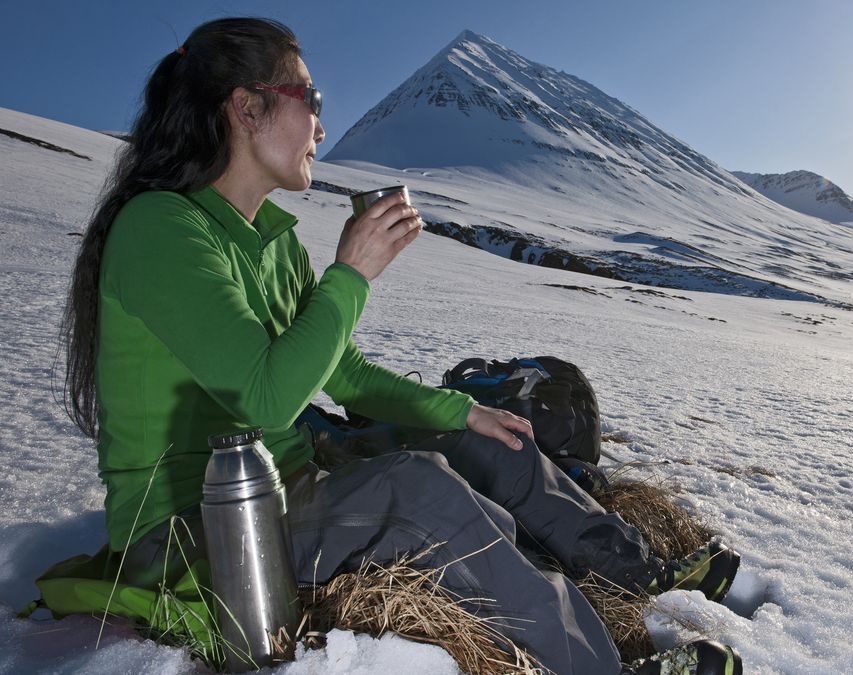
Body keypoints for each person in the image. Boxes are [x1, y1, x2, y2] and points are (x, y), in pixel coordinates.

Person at [60, 17, 740, 675]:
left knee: (485, 443)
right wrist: (351, 274)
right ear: (246, 107)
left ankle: (642, 574)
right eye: (311, 99)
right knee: (422, 490)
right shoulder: (160, 230)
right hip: (189, 530)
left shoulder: (271, 238)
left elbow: (344, 374)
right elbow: (266, 398)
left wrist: (462, 412)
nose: (323, 125)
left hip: (286, 479)